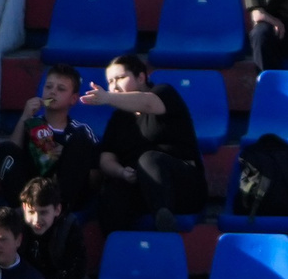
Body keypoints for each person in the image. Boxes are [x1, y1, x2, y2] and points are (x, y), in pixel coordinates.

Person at [85, 53, 209, 237]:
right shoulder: (118, 119)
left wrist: (108, 97)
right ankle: (119, 252)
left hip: (183, 186)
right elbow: (106, 158)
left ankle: (164, 223)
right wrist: (121, 172)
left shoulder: (164, 93)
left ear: (141, 77)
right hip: (142, 188)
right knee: (112, 192)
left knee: (148, 159)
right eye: (110, 82)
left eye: (120, 78)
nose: (114, 86)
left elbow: (148, 103)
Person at [0, 64, 95, 210]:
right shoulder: (32, 124)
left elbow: (94, 173)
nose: (52, 92)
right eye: (48, 87)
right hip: (31, 189)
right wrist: (25, 116)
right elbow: (11, 152)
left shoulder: (81, 130)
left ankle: (58, 210)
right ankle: (23, 210)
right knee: (4, 149)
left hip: (64, 194)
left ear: (73, 99)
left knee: (78, 142)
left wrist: (67, 155)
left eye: (61, 89)